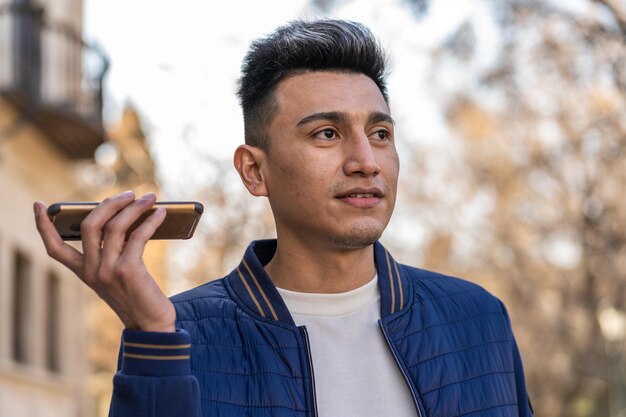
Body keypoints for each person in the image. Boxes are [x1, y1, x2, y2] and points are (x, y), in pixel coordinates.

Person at [34, 19, 533, 417]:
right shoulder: (176, 332)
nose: (366, 160)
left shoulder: (477, 318)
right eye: (326, 134)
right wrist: (152, 336)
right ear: (255, 170)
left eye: (380, 133)